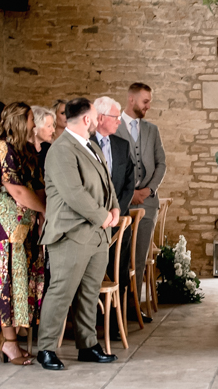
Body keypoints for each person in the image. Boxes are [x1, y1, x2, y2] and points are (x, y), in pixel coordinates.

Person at [36, 98, 119, 370]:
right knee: (62, 291)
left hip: (97, 234)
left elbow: (107, 182)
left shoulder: (91, 145)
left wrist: (115, 208)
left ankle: (87, 344)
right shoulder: (61, 150)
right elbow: (74, 194)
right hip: (71, 232)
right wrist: (103, 216)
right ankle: (46, 348)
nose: (97, 121)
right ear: (86, 119)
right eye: (94, 116)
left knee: (89, 292)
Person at [0, 102, 46, 365]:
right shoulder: (1, 148)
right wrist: (44, 210)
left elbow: (37, 185)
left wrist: (41, 211)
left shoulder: (26, 149)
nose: (35, 124)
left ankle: (10, 338)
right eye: (32, 119)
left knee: (24, 280)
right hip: (8, 227)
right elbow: (17, 190)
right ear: (20, 121)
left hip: (28, 223)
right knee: (8, 278)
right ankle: (9, 343)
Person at [115, 81, 166, 319]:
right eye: (145, 101)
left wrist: (149, 190)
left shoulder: (152, 130)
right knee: (119, 255)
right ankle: (119, 307)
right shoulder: (113, 128)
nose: (148, 106)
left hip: (147, 202)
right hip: (121, 202)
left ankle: (135, 306)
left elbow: (161, 163)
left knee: (140, 256)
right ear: (132, 100)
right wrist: (128, 194)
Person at [92, 96, 135, 295]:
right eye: (115, 117)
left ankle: (117, 319)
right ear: (100, 118)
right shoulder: (85, 143)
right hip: (93, 221)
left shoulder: (122, 145)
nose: (119, 121)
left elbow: (129, 182)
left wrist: (118, 210)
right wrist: (100, 214)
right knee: (92, 273)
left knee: (119, 270)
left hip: (119, 220)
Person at [31, 104, 56, 171]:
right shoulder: (23, 151)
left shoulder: (49, 148)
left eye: (52, 125)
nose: (53, 130)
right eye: (49, 126)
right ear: (35, 127)